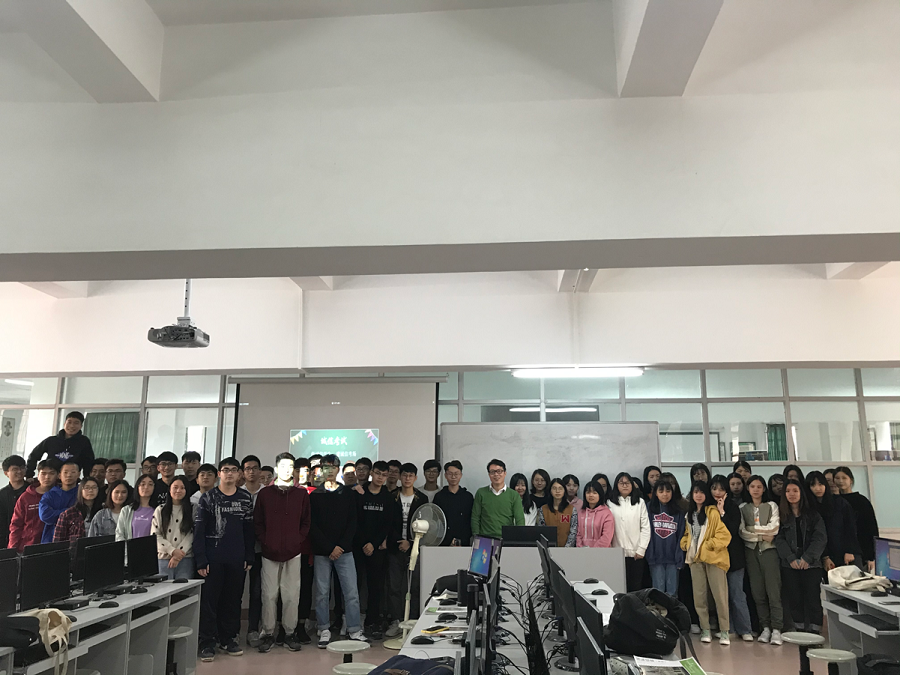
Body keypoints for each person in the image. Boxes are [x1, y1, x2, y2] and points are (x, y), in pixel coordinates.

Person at [194, 458, 256, 661]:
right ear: (219, 474)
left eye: (233, 470)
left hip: (237, 558)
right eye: (225, 470)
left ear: (239, 474)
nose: (229, 473)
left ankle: (228, 638)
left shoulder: (245, 498)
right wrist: (201, 559)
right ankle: (207, 642)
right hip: (213, 558)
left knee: (233, 600)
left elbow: (249, 530)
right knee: (209, 601)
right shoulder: (208, 498)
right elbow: (199, 531)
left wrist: (249, 555)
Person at [255, 452, 312, 652]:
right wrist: (265, 540)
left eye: (290, 467)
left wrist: (297, 540)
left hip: (293, 552)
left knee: (291, 595)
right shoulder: (265, 494)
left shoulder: (301, 494)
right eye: (283, 466)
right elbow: (258, 522)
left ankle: (289, 632)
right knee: (269, 594)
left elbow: (306, 522)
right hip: (269, 552)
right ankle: (268, 633)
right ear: (276, 469)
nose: (287, 470)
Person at [308, 454, 367, 647]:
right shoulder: (315, 496)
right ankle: (323, 629)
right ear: (321, 470)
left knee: (351, 592)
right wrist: (329, 547)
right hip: (322, 552)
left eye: (333, 467)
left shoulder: (348, 494)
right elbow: (312, 526)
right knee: (322, 593)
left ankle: (354, 629)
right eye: (326, 467)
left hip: (345, 551)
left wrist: (340, 546)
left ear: (338, 469)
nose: (329, 470)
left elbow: (353, 523)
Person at [681, 481, 732, 646]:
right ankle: (705, 629)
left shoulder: (713, 512)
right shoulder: (689, 514)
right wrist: (685, 543)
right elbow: (688, 534)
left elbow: (724, 535)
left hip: (714, 559)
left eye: (701, 492)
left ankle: (724, 630)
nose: (698, 495)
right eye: (695, 492)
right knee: (699, 597)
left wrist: (709, 545)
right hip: (695, 560)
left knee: (720, 596)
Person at [775, 479, 827, 634]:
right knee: (794, 599)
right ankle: (800, 631)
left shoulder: (813, 515)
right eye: (788, 491)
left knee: (813, 598)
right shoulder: (781, 515)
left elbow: (820, 538)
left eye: (795, 491)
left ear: (801, 493)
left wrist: (807, 558)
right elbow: (778, 539)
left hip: (811, 564)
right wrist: (790, 558)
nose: (791, 494)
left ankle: (815, 632)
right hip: (789, 564)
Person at [739, 475, 783, 645]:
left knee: (773, 591)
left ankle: (777, 628)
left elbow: (774, 528)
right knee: (758, 592)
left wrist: (753, 530)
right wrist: (761, 535)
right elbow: (742, 532)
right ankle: (765, 627)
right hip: (750, 552)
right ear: (748, 489)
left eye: (759, 486)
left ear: (764, 489)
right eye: (752, 487)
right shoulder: (743, 507)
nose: (756, 490)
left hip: (769, 552)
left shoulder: (772, 505)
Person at [710, 475, 753, 642]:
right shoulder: (707, 507)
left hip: (734, 558)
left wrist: (722, 513)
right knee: (722, 596)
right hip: (716, 558)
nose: (717, 492)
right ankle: (729, 629)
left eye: (721, 489)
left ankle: (745, 629)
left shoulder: (733, 507)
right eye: (714, 488)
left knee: (737, 594)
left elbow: (731, 530)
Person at [387, 463, 429, 632]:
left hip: (415, 548)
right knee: (394, 587)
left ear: (416, 478)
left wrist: (410, 542)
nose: (407, 478)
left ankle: (412, 621)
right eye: (404, 475)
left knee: (414, 586)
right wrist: (399, 541)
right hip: (394, 548)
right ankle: (395, 621)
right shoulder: (392, 496)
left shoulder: (422, 499)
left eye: (411, 476)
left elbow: (426, 524)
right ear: (399, 477)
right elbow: (388, 523)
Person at [355, 460, 393, 639]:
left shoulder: (388, 497)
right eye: (378, 473)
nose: (380, 478)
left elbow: (387, 525)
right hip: (358, 546)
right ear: (371, 473)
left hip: (377, 549)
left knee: (375, 587)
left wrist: (374, 543)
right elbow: (355, 520)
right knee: (355, 586)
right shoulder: (360, 493)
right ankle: (353, 622)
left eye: (384, 475)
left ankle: (372, 622)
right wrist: (365, 542)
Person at [807, 471, 862, 570]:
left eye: (820, 484)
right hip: (821, 556)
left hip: (845, 553)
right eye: (813, 485)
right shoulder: (808, 508)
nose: (818, 488)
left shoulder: (839, 502)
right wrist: (825, 557)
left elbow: (850, 527)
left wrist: (850, 550)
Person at [607, 472, 651, 591]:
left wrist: (641, 549)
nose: (625, 485)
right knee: (618, 587)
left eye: (627, 483)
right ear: (616, 485)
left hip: (636, 554)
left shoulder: (640, 502)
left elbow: (645, 527)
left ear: (632, 485)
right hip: (617, 553)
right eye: (621, 483)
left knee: (635, 587)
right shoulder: (610, 503)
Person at [239, 454, 265, 648]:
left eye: (255, 468)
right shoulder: (236, 493)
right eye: (248, 468)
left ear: (260, 471)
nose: (251, 471)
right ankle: (232, 631)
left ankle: (253, 629)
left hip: (260, 550)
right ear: (242, 472)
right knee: (235, 591)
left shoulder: (267, 493)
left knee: (257, 592)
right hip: (238, 549)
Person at [833, 466, 879, 572]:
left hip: (861, 551)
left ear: (851, 480)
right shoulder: (833, 501)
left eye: (844, 478)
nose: (840, 481)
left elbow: (871, 528)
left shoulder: (862, 501)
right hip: (838, 553)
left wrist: (871, 556)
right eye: (837, 478)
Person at [26, 411, 94, 479]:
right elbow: (33, 456)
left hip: (71, 480)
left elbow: (88, 462)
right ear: (64, 424)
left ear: (81, 426)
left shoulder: (84, 442)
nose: (72, 426)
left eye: (76, 423)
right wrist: (29, 475)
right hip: (50, 479)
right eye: (69, 422)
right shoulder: (51, 440)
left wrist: (87, 479)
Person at [646, 480, 685, 595]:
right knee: (658, 591)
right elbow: (646, 533)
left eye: (668, 491)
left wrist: (679, 557)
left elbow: (681, 535)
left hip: (673, 559)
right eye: (661, 491)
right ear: (656, 493)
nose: (665, 494)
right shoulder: (648, 509)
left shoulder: (678, 511)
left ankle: (671, 608)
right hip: (656, 558)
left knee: (672, 593)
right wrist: (650, 555)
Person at [152, 476, 195, 580]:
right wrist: (172, 551)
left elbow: (193, 533)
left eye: (182, 488)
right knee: (163, 588)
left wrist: (178, 555)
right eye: (175, 487)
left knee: (184, 589)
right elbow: (155, 535)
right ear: (169, 489)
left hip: (185, 558)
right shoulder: (160, 509)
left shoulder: (193, 508)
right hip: (163, 558)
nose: (178, 491)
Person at [9, 459, 58, 551]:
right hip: (28, 546)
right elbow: (16, 525)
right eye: (43, 473)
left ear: (58, 475)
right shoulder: (26, 497)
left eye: (51, 473)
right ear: (38, 475)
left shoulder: (60, 495)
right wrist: (12, 549)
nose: (47, 477)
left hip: (53, 546)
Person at [471, 459, 525, 539]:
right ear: (489, 475)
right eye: (492, 472)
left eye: (499, 471)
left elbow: (519, 519)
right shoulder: (481, 493)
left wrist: (519, 539)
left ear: (505, 473)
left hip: (507, 539)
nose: (496, 474)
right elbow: (475, 517)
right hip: (485, 539)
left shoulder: (514, 495)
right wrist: (476, 537)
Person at [432, 460, 473, 546]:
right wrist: (447, 540)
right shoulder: (439, 496)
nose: (453, 477)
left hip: (464, 543)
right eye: (450, 474)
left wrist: (463, 539)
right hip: (443, 542)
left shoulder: (468, 497)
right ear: (445, 475)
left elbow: (470, 520)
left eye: (456, 474)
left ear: (461, 475)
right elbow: (436, 521)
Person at [38, 458, 80, 543]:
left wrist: (57, 513)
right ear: (59, 475)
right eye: (65, 472)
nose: (69, 475)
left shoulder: (82, 493)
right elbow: (45, 516)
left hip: (76, 539)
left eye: (73, 472)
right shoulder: (50, 495)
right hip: (51, 540)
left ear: (79, 474)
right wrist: (70, 512)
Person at [53, 477, 101, 543]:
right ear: (80, 490)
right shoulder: (68, 514)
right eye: (87, 487)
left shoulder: (103, 512)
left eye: (94, 487)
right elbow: (57, 541)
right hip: (75, 548)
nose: (90, 490)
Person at [537, 478, 577, 547]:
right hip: (549, 548)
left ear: (564, 491)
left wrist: (566, 548)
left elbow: (573, 532)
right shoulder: (543, 509)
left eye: (560, 488)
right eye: (554, 488)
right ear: (550, 491)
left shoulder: (572, 509)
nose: (557, 491)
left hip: (567, 550)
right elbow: (542, 531)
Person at [576, 480, 615, 549]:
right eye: (588, 492)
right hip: (582, 552)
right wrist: (580, 548)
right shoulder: (581, 512)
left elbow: (606, 537)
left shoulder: (607, 513)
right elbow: (578, 534)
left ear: (600, 495)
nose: (591, 495)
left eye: (594, 493)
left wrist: (594, 551)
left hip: (601, 552)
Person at [117, 474, 156, 541]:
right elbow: (119, 534)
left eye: (150, 484)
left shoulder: (158, 510)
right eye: (143, 484)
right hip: (129, 547)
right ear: (137, 487)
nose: (146, 487)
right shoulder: (126, 510)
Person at [0, 455, 28, 549]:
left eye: (22, 468)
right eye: (15, 469)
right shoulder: (2, 494)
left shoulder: (33, 490)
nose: (19, 471)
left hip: (29, 539)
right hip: (8, 540)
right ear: (6, 473)